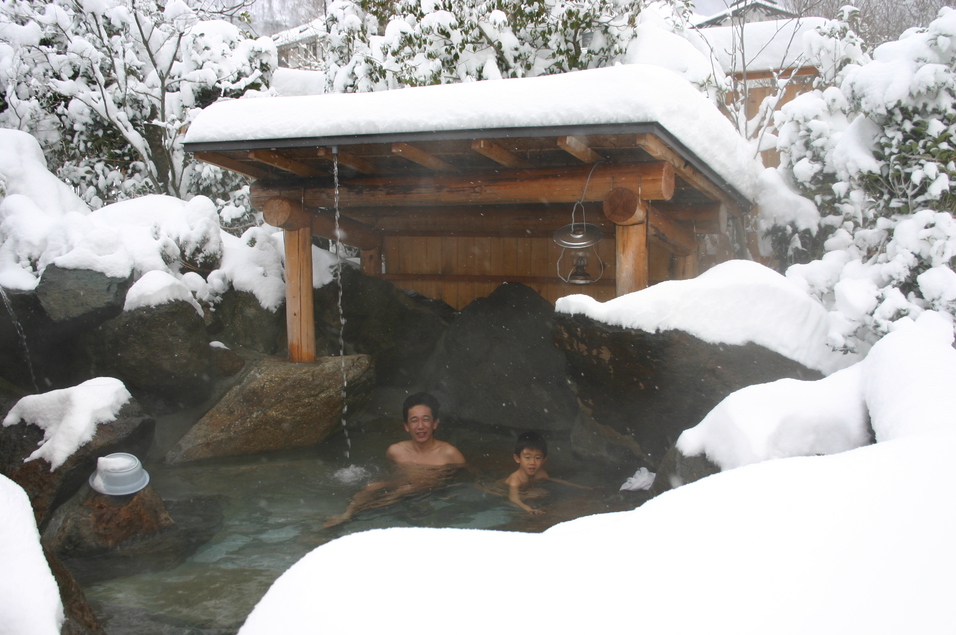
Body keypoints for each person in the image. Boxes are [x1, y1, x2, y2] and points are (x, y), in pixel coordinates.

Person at [323, 392, 465, 527]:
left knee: (404, 490)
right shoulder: (395, 451)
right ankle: (347, 514)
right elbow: (393, 474)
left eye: (426, 420)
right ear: (406, 426)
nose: (420, 426)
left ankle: (360, 514)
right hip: (404, 487)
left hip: (429, 492)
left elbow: (467, 476)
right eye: (414, 421)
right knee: (371, 486)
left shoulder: (449, 453)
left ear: (435, 423)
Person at [504, 431, 591, 515]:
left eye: (537, 458)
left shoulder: (540, 473)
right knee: (533, 494)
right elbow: (513, 498)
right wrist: (528, 509)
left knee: (541, 493)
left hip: (526, 490)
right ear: (517, 459)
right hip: (500, 490)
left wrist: (582, 487)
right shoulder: (515, 479)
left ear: (543, 460)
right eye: (527, 457)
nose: (532, 462)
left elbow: (556, 481)